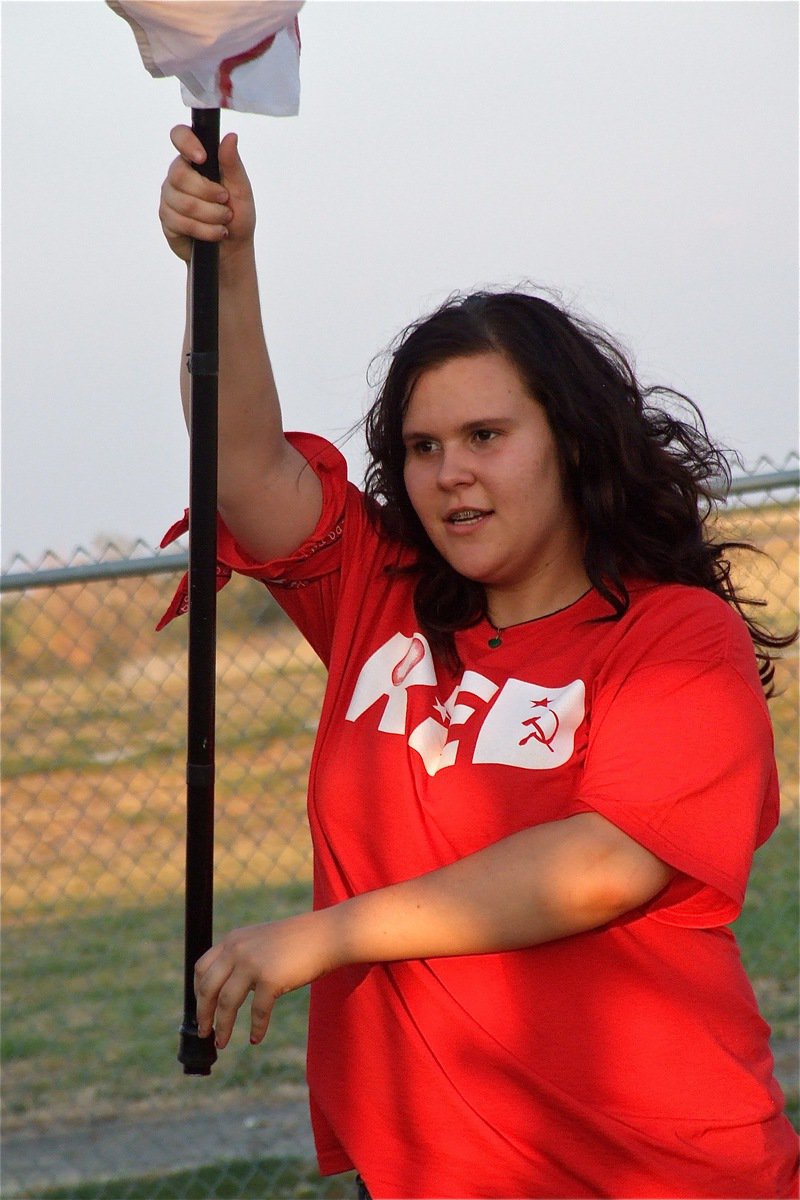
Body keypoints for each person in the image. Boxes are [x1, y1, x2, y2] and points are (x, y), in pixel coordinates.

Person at [157, 125, 799, 1200]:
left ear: (574, 443)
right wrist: (225, 260)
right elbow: (238, 460)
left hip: (656, 1177)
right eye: (420, 447)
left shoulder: (672, 637)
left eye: (484, 437)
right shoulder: (379, 597)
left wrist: (324, 938)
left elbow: (599, 867)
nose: (449, 474)